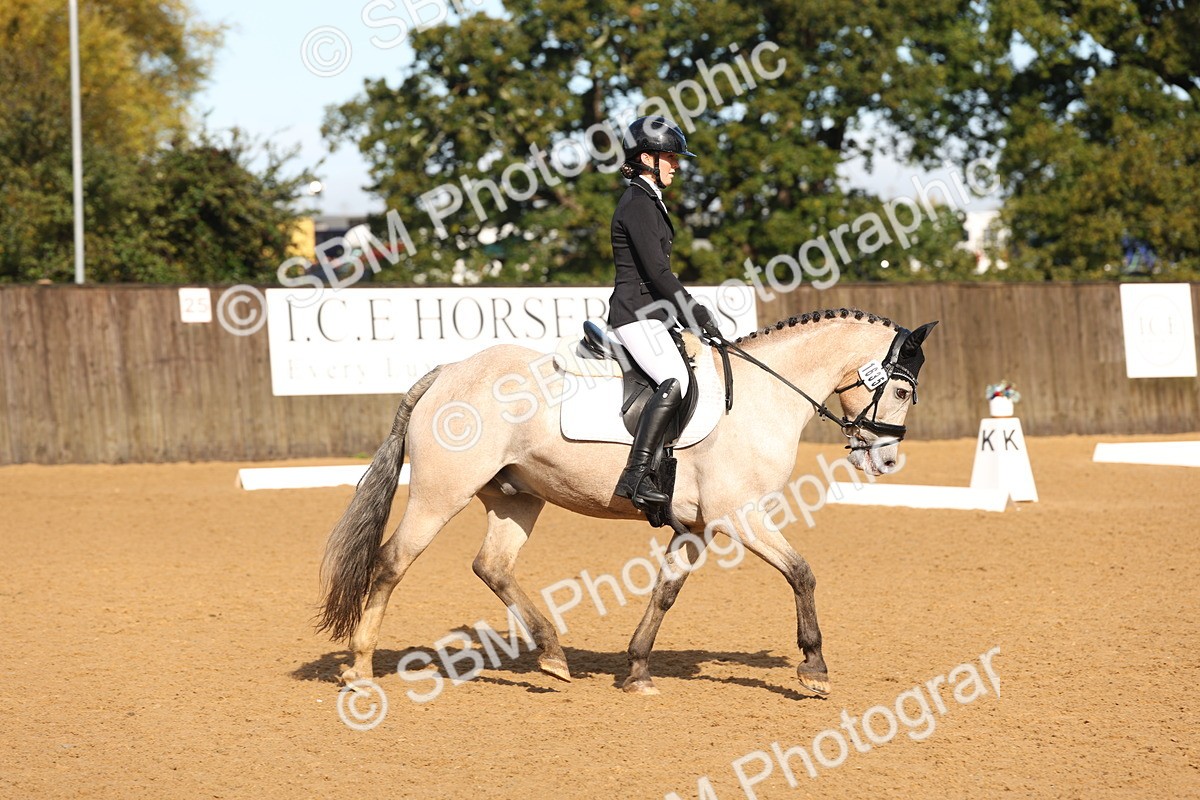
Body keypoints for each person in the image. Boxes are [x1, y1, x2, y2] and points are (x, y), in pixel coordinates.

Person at [608, 115, 722, 510]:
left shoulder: (649, 200)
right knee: (674, 380)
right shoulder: (638, 204)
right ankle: (636, 476)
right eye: (670, 157)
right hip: (634, 314)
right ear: (646, 158)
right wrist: (696, 313)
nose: (677, 164)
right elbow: (658, 272)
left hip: (651, 315)